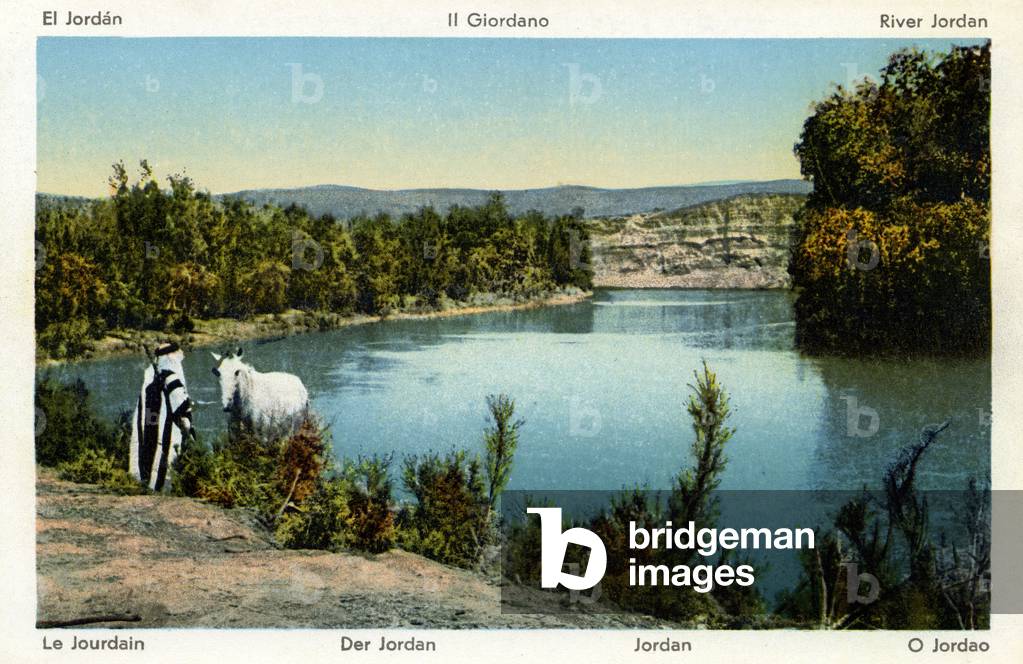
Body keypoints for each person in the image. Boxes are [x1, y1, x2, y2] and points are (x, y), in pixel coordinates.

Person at [129, 342, 194, 491]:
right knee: (164, 458)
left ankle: (144, 484)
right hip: (166, 429)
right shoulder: (171, 376)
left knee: (146, 454)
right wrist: (189, 431)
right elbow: (181, 407)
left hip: (149, 425)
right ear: (172, 357)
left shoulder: (149, 375)